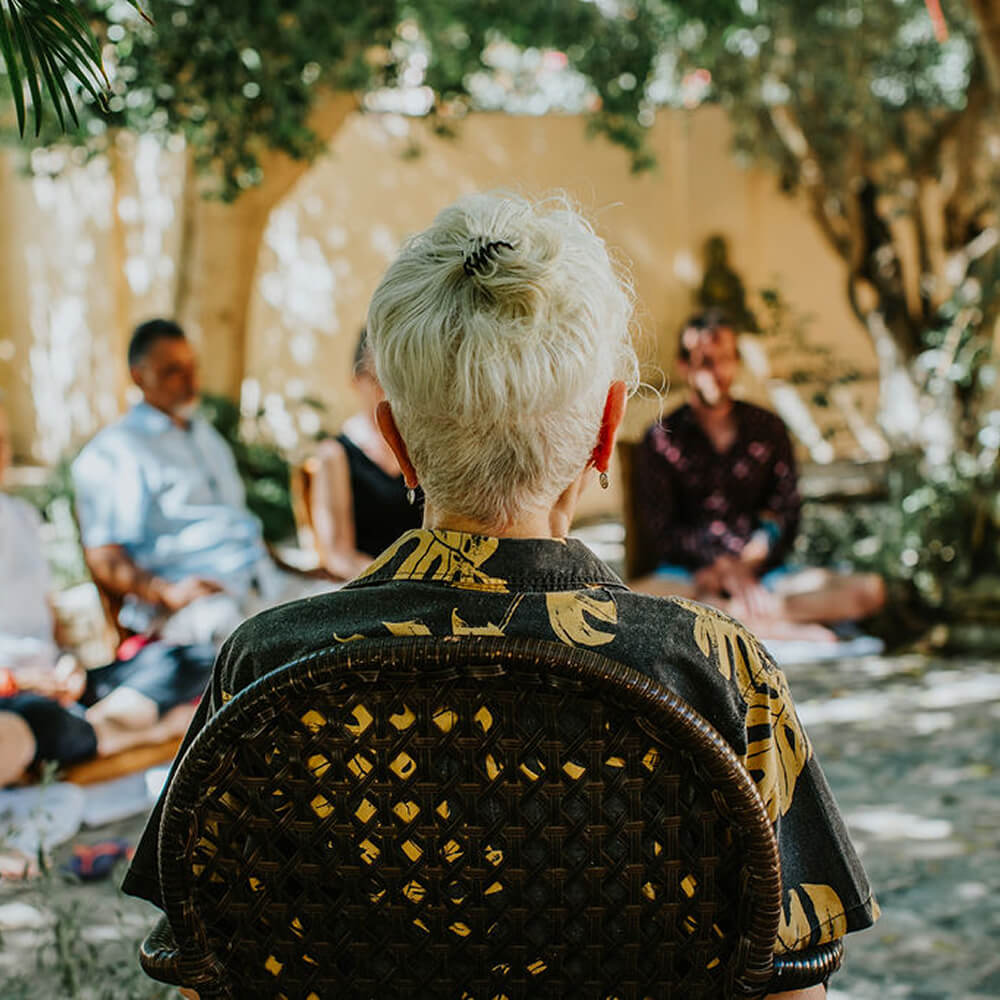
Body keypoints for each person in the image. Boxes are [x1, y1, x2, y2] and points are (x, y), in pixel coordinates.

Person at [123, 194, 878, 998]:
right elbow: (793, 984)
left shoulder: (264, 666)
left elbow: (205, 966)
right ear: (604, 433)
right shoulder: (715, 671)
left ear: (397, 443)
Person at [72, 319, 329, 650]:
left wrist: (298, 570)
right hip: (196, 609)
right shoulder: (114, 452)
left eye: (192, 367)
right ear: (139, 376)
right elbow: (103, 556)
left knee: (349, 613)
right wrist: (167, 592)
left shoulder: (206, 436)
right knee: (266, 650)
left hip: (265, 585)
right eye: (173, 371)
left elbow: (235, 524)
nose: (191, 380)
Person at [631, 310, 885, 639]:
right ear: (684, 366)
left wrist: (748, 562)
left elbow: (785, 511)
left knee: (870, 590)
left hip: (763, 577)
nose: (717, 371)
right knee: (633, 601)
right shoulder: (661, 437)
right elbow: (660, 526)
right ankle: (778, 627)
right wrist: (720, 567)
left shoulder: (768, 429)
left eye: (725, 359)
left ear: (736, 362)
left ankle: (740, 622)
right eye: (705, 360)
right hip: (691, 577)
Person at [0, 401, 211, 789]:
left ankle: (93, 732)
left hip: (62, 686)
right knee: (32, 722)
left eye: (3, 440)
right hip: (16, 699)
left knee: (194, 658)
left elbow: (49, 622)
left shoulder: (22, 516)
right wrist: (24, 681)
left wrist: (69, 666)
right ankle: (134, 731)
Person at [309, 329, 422, 579]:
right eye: (377, 379)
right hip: (366, 584)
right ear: (355, 381)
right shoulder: (335, 454)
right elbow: (337, 555)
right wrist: (393, 582)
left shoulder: (423, 447)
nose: (387, 392)